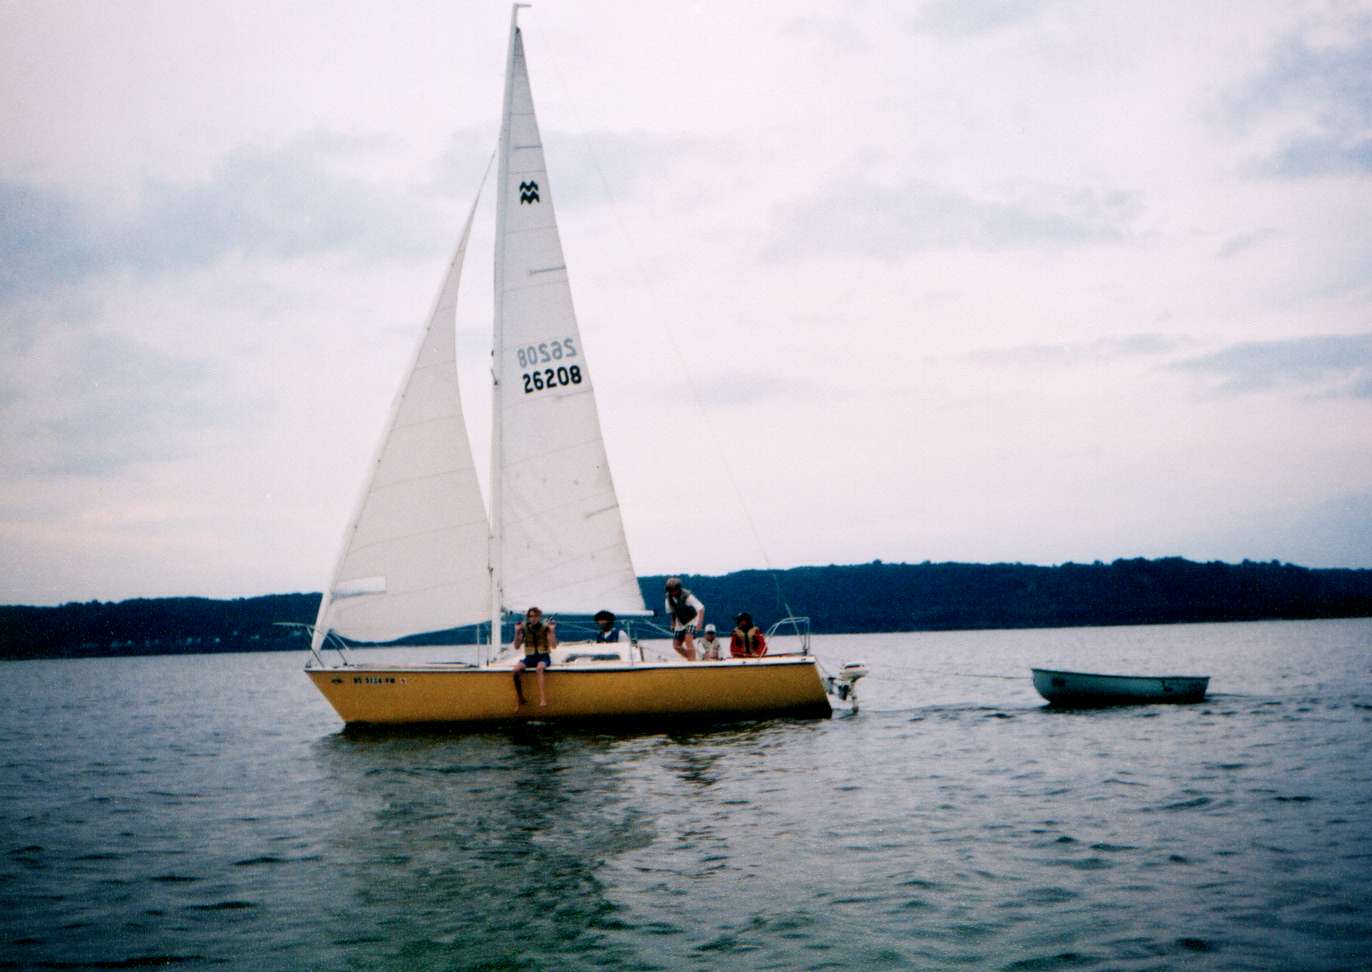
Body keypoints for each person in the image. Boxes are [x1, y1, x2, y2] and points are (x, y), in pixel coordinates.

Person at [512, 606, 556, 708]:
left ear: (539, 617)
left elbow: (553, 646)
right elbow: (516, 646)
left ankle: (543, 699)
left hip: (543, 656)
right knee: (515, 670)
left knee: (539, 668)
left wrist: (552, 631)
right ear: (528, 617)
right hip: (530, 657)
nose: (533, 618)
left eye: (536, 616)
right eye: (531, 616)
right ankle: (521, 698)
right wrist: (517, 632)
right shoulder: (524, 628)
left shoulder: (545, 628)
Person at [664, 577, 704, 661]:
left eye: (674, 590)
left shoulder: (687, 596)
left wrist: (699, 624)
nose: (672, 592)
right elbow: (672, 612)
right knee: (676, 645)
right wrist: (673, 624)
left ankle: (692, 661)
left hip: (692, 620)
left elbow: (701, 608)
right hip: (680, 622)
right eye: (670, 590)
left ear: (679, 589)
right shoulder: (668, 599)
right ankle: (691, 658)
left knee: (688, 639)